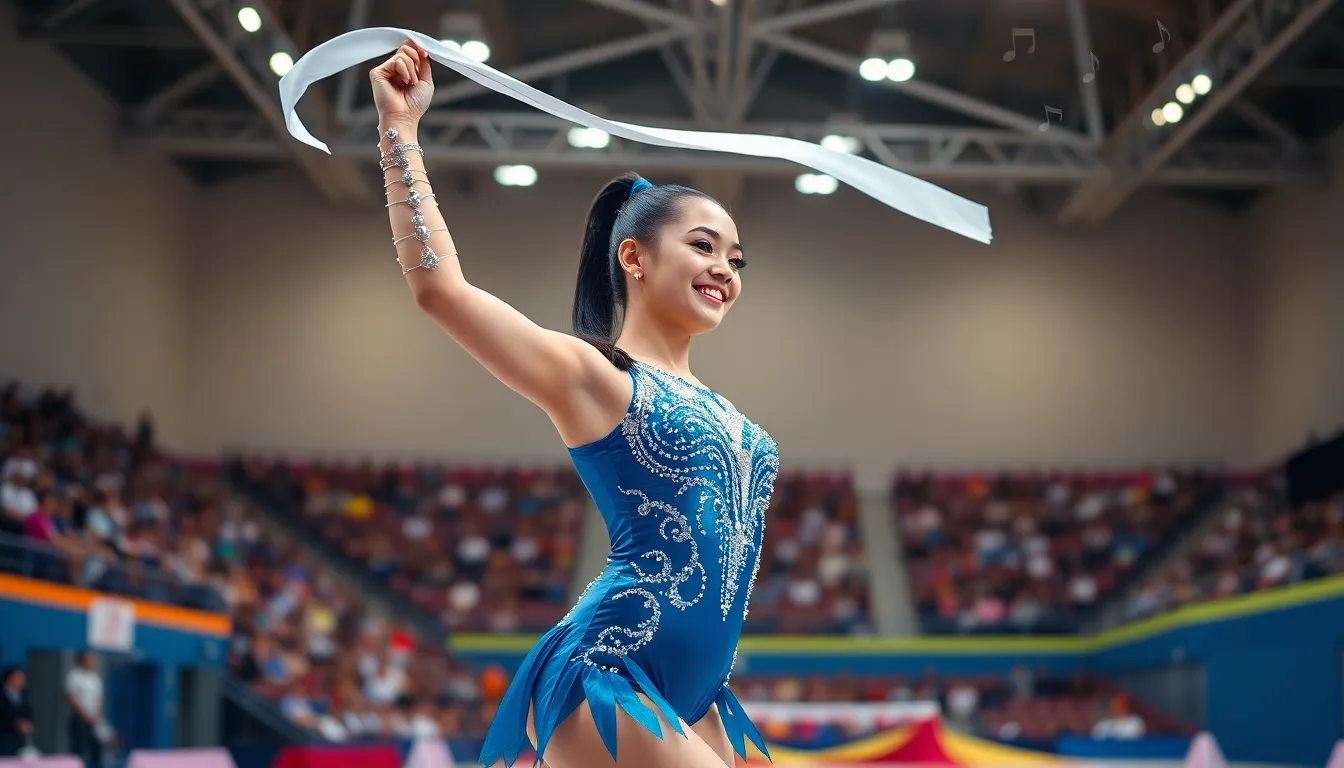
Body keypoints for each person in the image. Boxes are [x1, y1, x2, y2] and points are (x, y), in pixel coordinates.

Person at [368, 42, 777, 768]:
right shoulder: (595, 376)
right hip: (610, 670)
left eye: (735, 259)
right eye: (705, 246)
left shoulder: (725, 409)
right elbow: (442, 291)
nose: (723, 268)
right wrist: (400, 133)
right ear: (635, 258)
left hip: (698, 693)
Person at [65, 651, 105, 768]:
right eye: (89, 659)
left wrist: (97, 715)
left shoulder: (95, 677)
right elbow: (71, 697)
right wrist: (84, 714)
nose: (92, 661)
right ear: (82, 660)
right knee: (78, 750)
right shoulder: (74, 675)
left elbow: (98, 699)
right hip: (79, 719)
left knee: (97, 748)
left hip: (94, 721)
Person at [0, 667, 33, 757]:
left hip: (19, 738)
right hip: (4, 736)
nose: (22, 680)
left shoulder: (24, 694)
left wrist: (28, 723)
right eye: (19, 677)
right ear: (10, 678)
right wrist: (17, 723)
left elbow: (28, 712)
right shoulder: (2, 695)